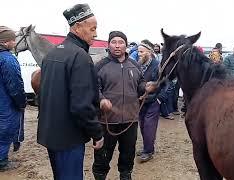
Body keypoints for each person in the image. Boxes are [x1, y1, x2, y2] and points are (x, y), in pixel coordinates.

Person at [37, 4, 104, 179]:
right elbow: (81, 105)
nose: (95, 34)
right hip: (69, 137)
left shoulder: (51, 54)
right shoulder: (80, 57)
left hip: (51, 134)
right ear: (77, 26)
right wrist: (96, 132)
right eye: (92, 29)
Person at [93, 32, 156, 180]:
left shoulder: (134, 65)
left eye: (120, 42)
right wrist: (101, 100)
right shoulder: (101, 65)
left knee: (128, 156)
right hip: (107, 121)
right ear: (108, 45)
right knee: (102, 157)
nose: (117, 45)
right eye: (113, 42)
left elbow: (139, 84)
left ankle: (126, 176)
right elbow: (94, 88)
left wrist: (146, 86)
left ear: (126, 45)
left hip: (130, 120)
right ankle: (100, 176)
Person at [0, 26, 27, 170]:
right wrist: (22, 103)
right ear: (5, 42)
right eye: (13, 40)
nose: (15, 42)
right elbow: (15, 86)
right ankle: (1, 162)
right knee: (5, 131)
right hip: (6, 105)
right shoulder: (8, 60)